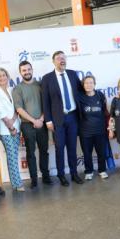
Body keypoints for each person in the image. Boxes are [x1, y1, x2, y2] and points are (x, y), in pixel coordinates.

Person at [42, 51, 84, 186]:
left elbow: (81, 92)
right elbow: (45, 101)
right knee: (60, 148)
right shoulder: (47, 78)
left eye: (64, 58)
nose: (62, 60)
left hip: (73, 117)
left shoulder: (72, 74)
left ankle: (74, 173)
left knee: (72, 147)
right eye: (59, 58)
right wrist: (48, 120)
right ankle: (61, 175)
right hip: (57, 119)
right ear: (53, 61)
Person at [13, 61, 53, 189]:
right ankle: (34, 179)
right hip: (27, 125)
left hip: (42, 122)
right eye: (24, 70)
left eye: (28, 69)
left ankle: (46, 176)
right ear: (20, 72)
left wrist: (41, 119)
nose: (27, 72)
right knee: (30, 153)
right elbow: (19, 109)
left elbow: (47, 104)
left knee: (44, 151)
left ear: (32, 69)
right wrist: (33, 121)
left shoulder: (41, 85)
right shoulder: (17, 89)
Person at [0, 68, 25, 192]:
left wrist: (14, 123)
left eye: (4, 75)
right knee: (11, 157)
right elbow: (0, 111)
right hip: (6, 130)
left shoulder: (12, 90)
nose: (2, 78)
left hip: (16, 126)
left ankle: (16, 182)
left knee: (14, 156)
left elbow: (17, 108)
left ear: (7, 76)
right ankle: (17, 184)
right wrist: (10, 127)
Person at [76, 75, 109, 180]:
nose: (89, 85)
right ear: (83, 85)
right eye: (86, 83)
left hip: (100, 130)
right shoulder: (79, 97)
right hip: (85, 131)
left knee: (101, 152)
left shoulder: (100, 95)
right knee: (87, 153)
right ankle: (89, 171)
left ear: (94, 84)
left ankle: (102, 170)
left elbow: (105, 111)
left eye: (91, 83)